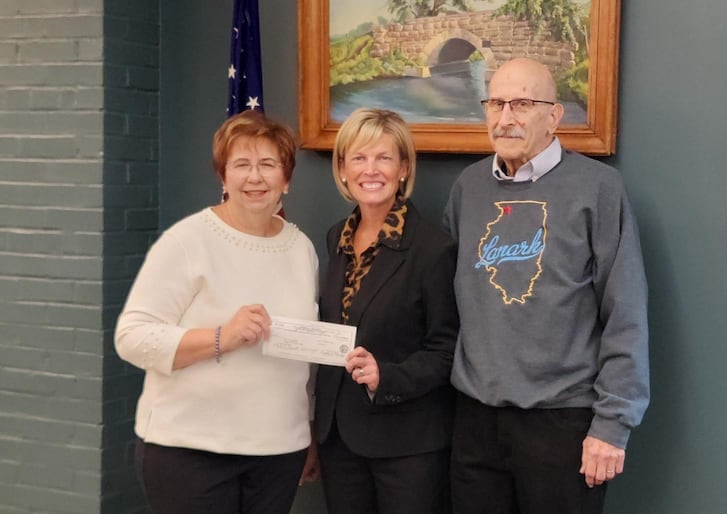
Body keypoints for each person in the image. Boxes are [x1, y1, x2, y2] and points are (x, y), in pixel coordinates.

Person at [443, 57, 650, 514]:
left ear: (554, 116)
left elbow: (626, 313)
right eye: (496, 103)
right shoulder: (468, 189)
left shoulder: (599, 188)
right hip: (476, 420)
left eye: (522, 103)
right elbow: (449, 306)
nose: (506, 117)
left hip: (563, 424)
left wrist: (612, 425)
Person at [115, 110, 320, 514]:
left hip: (278, 452)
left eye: (267, 165)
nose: (254, 177)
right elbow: (132, 337)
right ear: (222, 177)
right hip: (191, 452)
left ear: (287, 178)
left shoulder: (302, 249)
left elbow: (303, 358)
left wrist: (307, 431)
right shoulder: (187, 241)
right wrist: (221, 337)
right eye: (241, 165)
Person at [314, 108, 458, 514]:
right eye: (358, 158)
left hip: (407, 445)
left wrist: (388, 376)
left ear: (403, 168)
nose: (370, 170)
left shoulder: (434, 248)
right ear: (342, 169)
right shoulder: (335, 239)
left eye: (384, 158)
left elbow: (447, 351)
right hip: (338, 439)